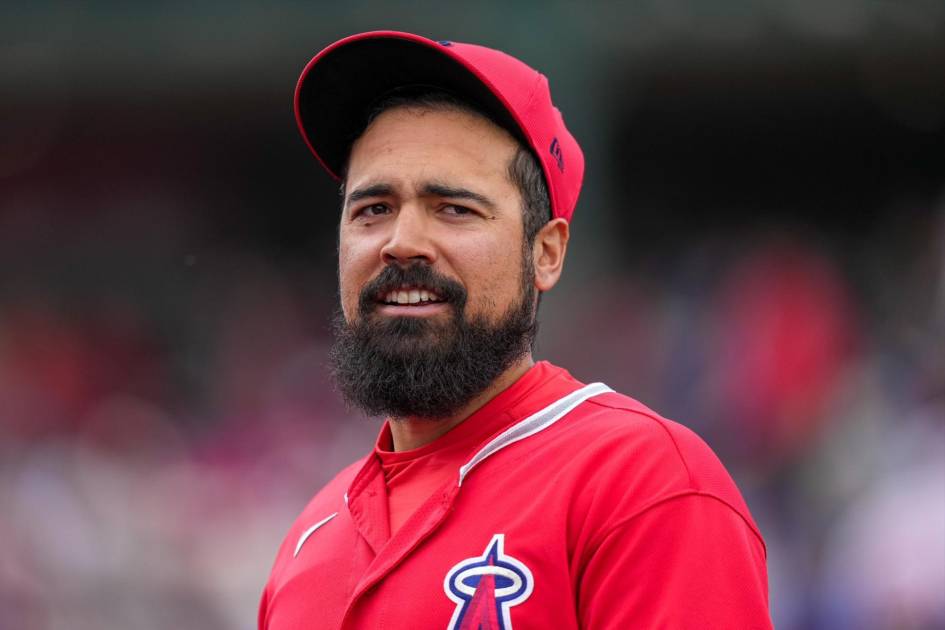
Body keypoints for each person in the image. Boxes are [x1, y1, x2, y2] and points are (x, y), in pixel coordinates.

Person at [259, 30, 771, 629]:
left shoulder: (641, 483)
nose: (402, 242)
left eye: (454, 208)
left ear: (545, 253)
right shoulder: (311, 538)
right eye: (374, 209)